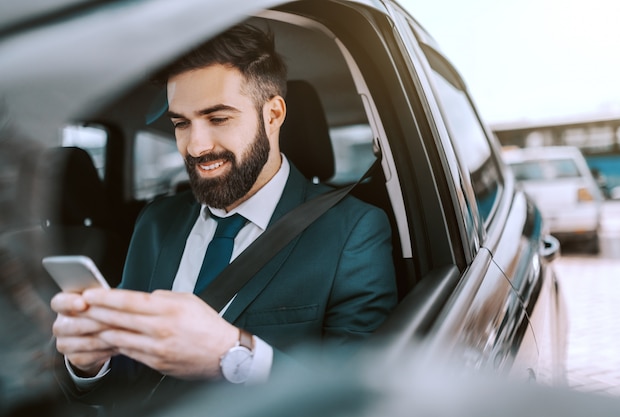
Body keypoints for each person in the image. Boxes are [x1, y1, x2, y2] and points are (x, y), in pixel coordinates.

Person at [50, 23, 397, 406]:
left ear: (273, 114)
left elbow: (359, 398)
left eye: (218, 118)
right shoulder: (155, 222)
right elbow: (127, 378)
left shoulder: (353, 230)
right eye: (181, 123)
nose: (196, 146)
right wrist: (87, 365)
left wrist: (234, 354)